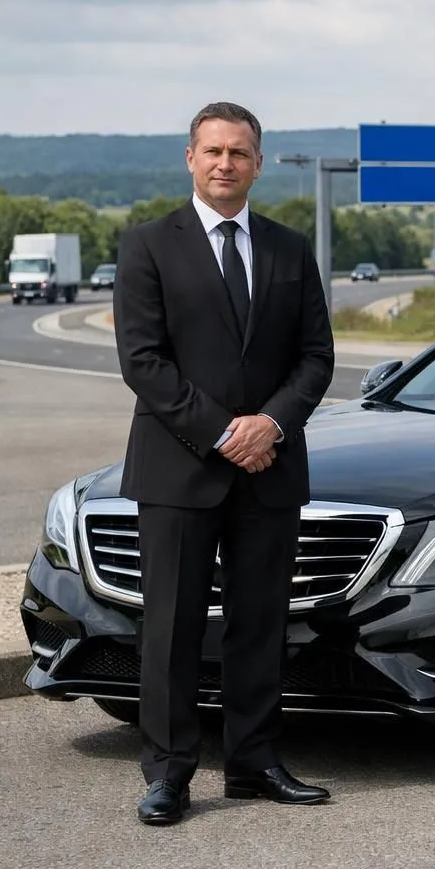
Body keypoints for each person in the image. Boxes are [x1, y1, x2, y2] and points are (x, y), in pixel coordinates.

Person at [113, 101, 335, 825]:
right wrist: (222, 433)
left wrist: (269, 424)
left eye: (238, 153)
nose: (224, 164)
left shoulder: (289, 249)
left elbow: (315, 357)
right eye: (212, 151)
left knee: (259, 623)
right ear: (189, 158)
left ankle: (254, 762)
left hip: (270, 467)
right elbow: (143, 362)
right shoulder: (148, 246)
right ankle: (169, 774)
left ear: (258, 163)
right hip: (178, 470)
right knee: (171, 628)